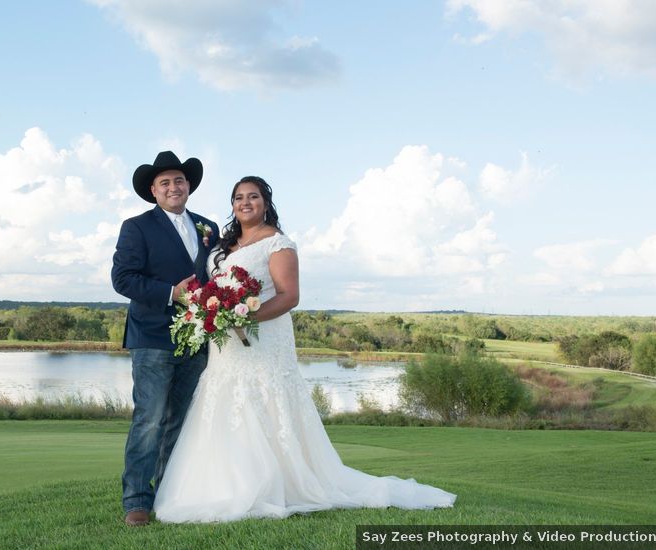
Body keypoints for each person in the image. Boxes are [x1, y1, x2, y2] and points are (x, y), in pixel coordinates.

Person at [153, 176, 456, 522]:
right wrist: (215, 314)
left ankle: (275, 484)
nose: (245, 203)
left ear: (266, 203)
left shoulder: (278, 243)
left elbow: (288, 296)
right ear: (232, 205)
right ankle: (217, 487)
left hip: (263, 340)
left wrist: (242, 318)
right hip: (226, 347)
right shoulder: (223, 246)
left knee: (264, 402)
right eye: (238, 197)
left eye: (253, 197)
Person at [111, 151, 221, 527]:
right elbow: (123, 279)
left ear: (188, 186)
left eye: (179, 180)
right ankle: (137, 502)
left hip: (198, 340)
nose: (173, 187)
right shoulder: (137, 227)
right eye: (165, 183)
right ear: (153, 191)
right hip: (153, 337)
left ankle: (170, 495)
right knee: (150, 420)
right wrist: (170, 293)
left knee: (180, 421)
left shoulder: (209, 228)